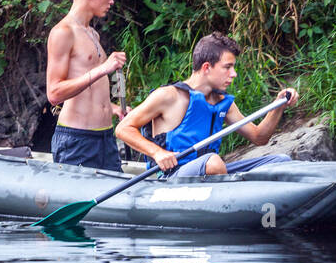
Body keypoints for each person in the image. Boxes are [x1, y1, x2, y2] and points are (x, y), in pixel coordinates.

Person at [116, 33, 299, 178]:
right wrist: (157, 153)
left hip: (211, 171)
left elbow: (259, 138)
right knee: (213, 163)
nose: (234, 74)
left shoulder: (223, 102)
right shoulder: (169, 96)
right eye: (227, 67)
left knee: (280, 160)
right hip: (173, 176)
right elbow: (123, 128)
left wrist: (278, 107)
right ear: (206, 68)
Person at [45, 0, 128, 170]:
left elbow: (91, 93)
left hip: (105, 138)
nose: (112, 1)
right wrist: (103, 68)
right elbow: (54, 93)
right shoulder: (63, 32)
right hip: (77, 140)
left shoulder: (92, 33)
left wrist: (114, 109)